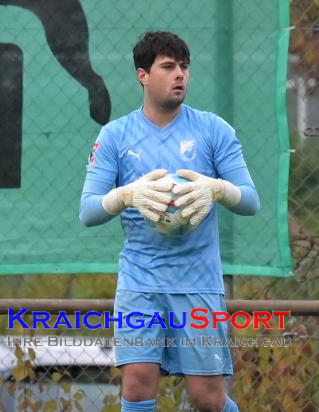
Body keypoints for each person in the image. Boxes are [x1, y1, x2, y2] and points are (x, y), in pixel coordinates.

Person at [79, 31, 260, 412]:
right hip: (140, 281)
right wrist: (124, 195)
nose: (180, 74)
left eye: (184, 66)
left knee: (207, 397)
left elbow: (251, 201)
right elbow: (88, 211)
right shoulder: (115, 136)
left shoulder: (213, 131)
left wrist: (219, 190)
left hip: (197, 282)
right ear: (143, 75)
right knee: (137, 384)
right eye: (168, 66)